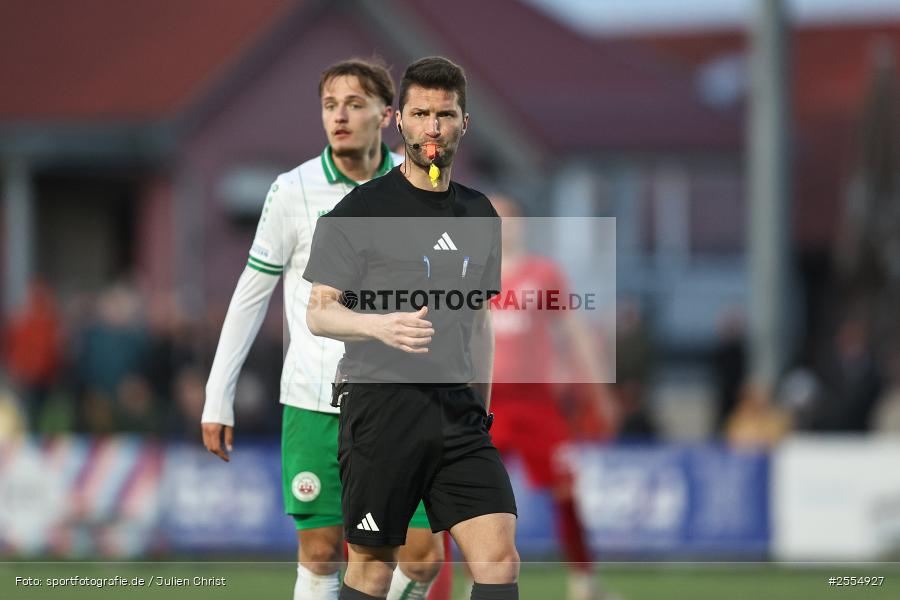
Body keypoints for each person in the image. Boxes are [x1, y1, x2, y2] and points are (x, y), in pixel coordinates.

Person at [201, 58, 446, 600]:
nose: (340, 115)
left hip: (403, 401)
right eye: (330, 104)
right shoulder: (293, 190)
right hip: (315, 402)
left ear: (387, 116)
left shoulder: (422, 186)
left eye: (354, 104)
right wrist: (218, 395)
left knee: (423, 557)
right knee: (321, 553)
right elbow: (251, 293)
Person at [304, 57, 520, 600]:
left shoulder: (478, 214)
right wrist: (380, 327)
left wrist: (482, 407)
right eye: (421, 114)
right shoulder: (359, 211)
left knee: (498, 558)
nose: (432, 128)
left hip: (459, 414)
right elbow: (319, 312)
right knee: (373, 570)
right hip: (380, 409)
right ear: (398, 119)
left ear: (463, 123)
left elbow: (478, 319)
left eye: (444, 115)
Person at [487, 196, 618, 600]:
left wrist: (599, 390)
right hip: (486, 405)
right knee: (469, 496)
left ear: (522, 225)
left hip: (537, 403)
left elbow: (573, 331)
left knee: (565, 490)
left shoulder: (543, 273)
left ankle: (584, 581)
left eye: (508, 218)